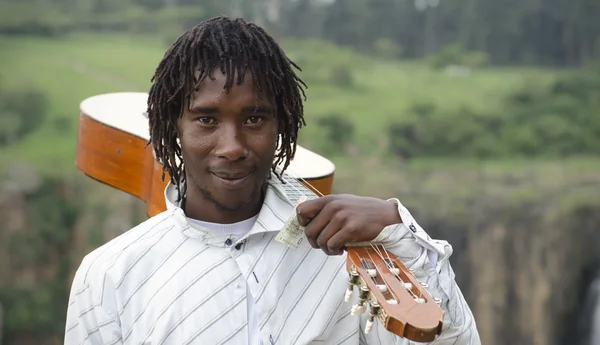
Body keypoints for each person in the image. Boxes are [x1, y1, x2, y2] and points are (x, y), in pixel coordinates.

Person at [64, 16, 480, 345]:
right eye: (206, 119)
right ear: (172, 127)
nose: (232, 146)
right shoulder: (110, 274)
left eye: (254, 119)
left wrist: (399, 230)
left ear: (283, 124)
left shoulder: (350, 254)